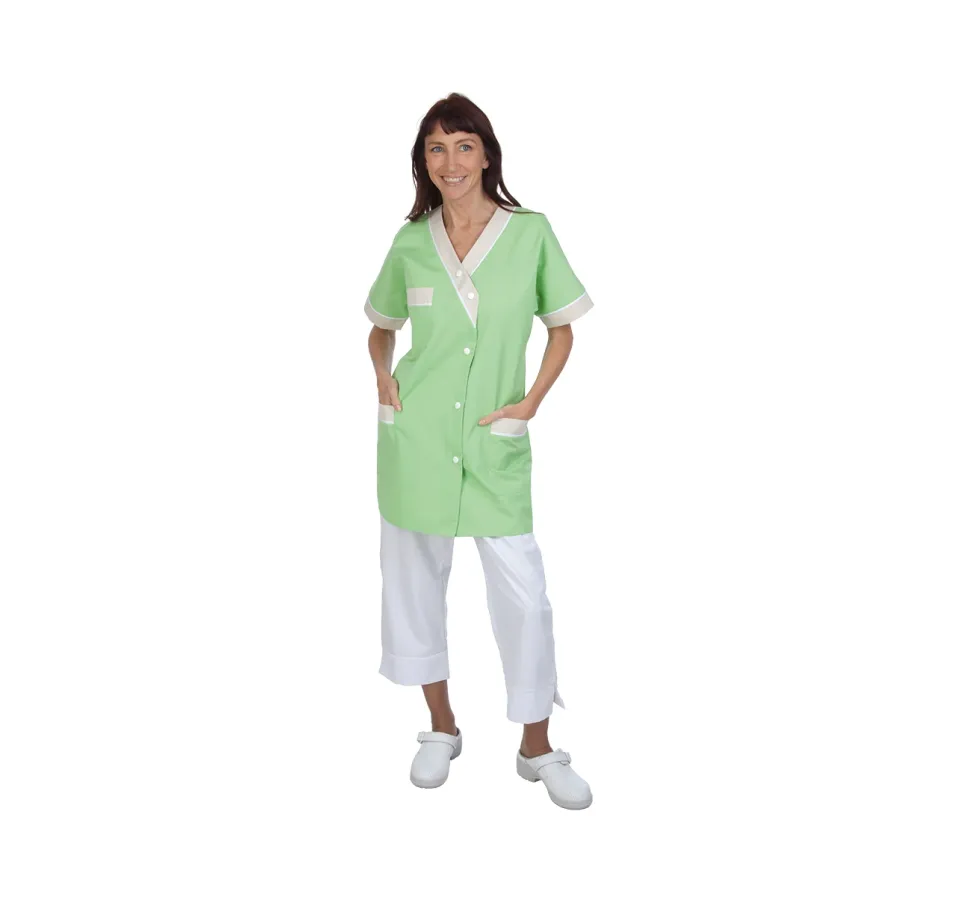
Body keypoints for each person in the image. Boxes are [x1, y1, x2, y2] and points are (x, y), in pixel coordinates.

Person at [365, 93, 595, 810]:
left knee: (524, 598)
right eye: (436, 148)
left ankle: (536, 746)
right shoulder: (411, 242)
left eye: (463, 145)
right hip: (417, 441)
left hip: (494, 439)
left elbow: (562, 328)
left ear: (487, 154)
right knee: (413, 585)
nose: (451, 161)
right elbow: (381, 325)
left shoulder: (529, 234)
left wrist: (531, 403)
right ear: (423, 162)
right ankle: (441, 727)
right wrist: (383, 376)